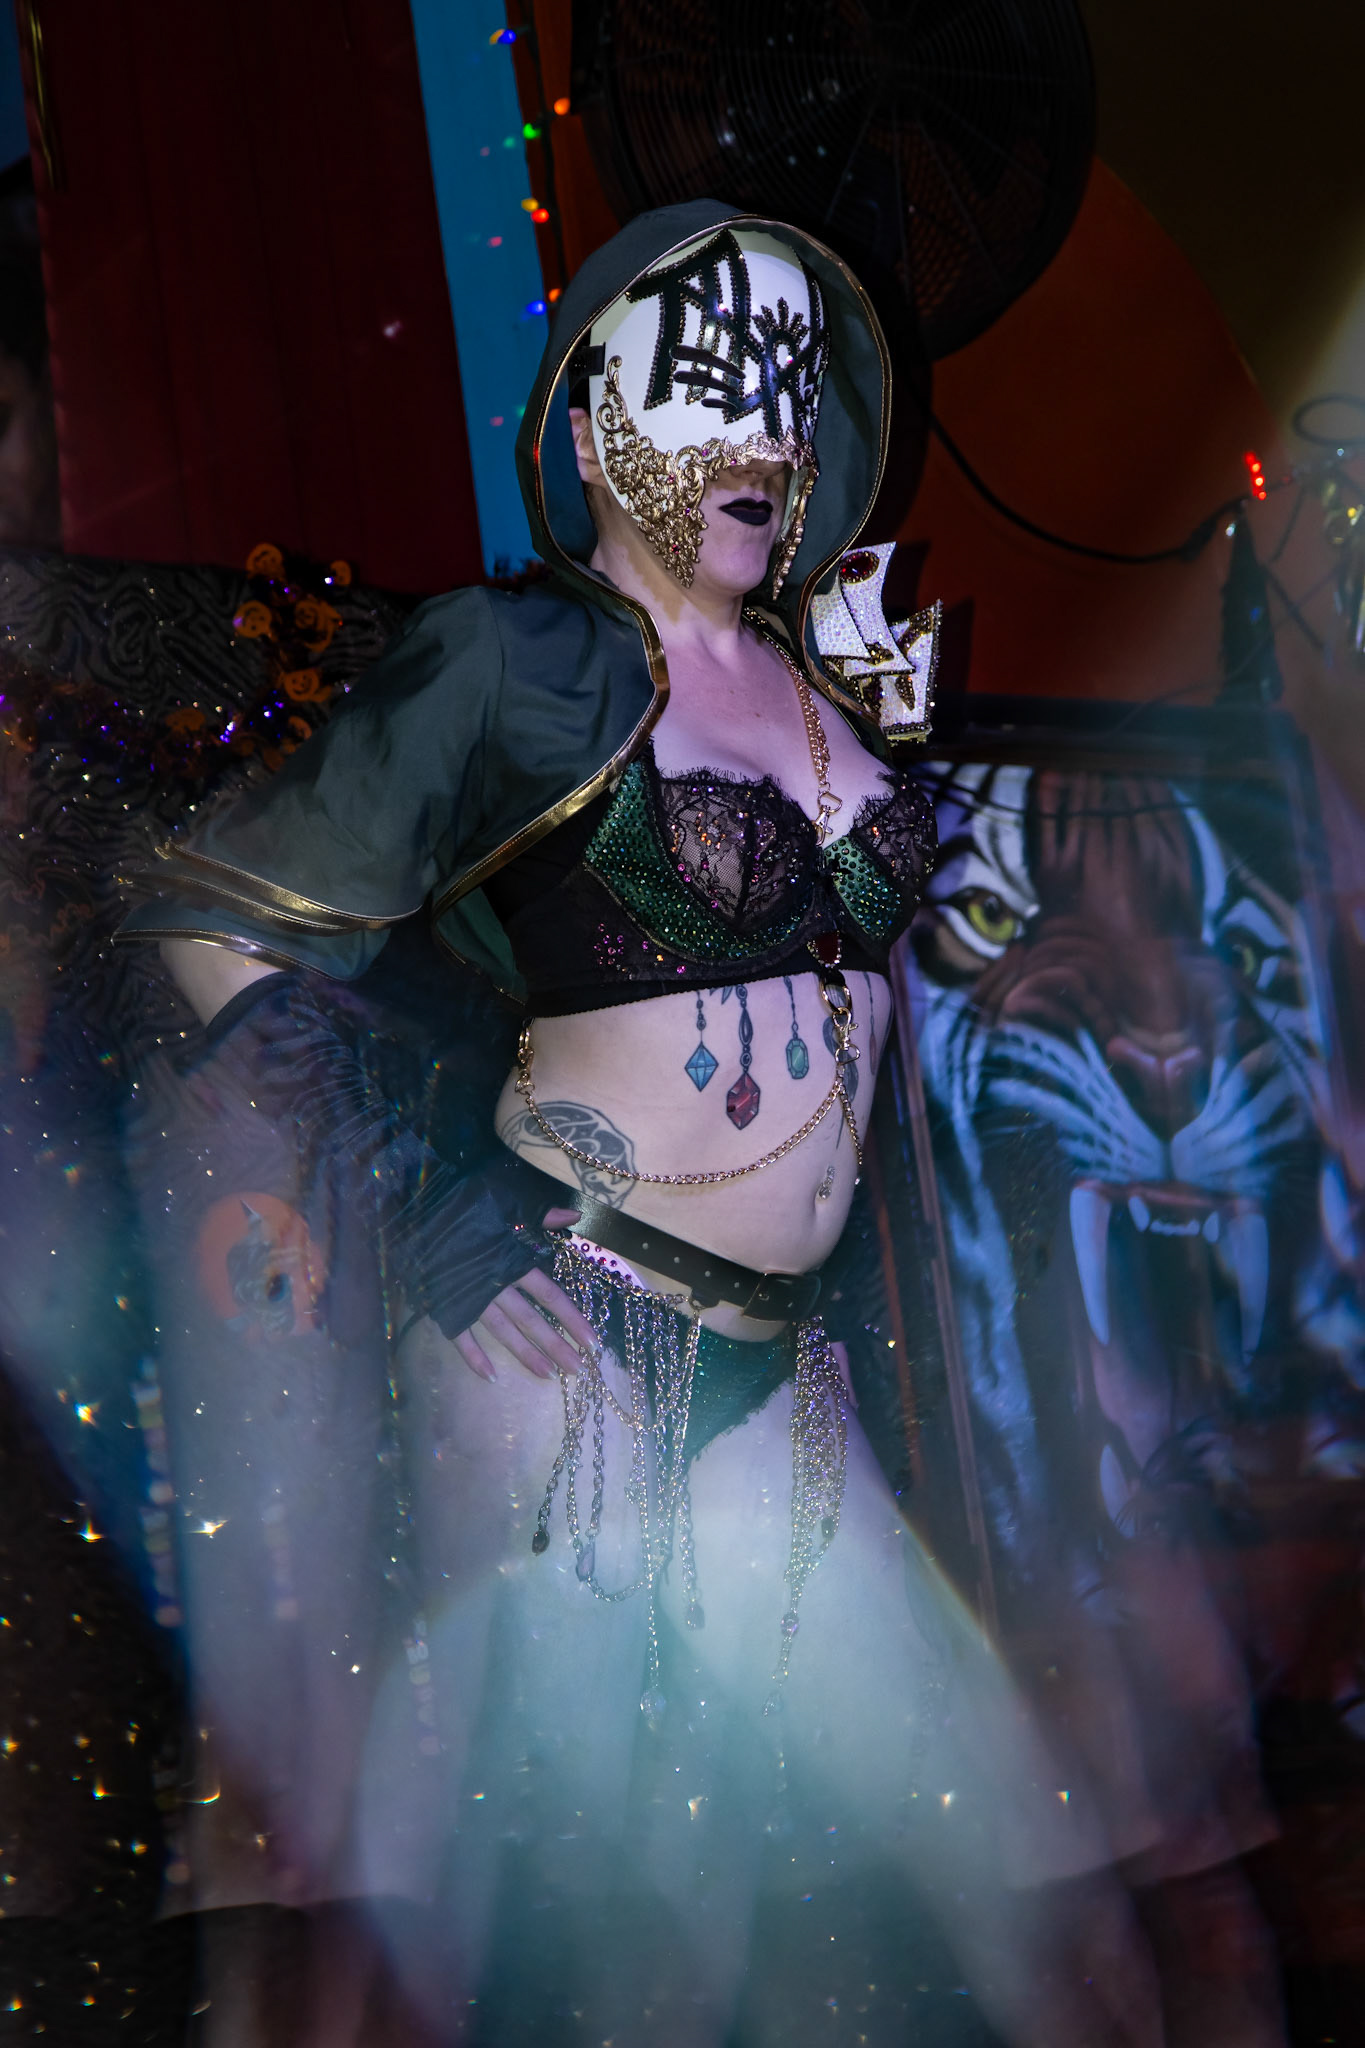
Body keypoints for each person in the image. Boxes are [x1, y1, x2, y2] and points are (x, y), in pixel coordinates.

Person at [121, 202, 1160, 2045]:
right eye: (713, 392)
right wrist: (431, 1212)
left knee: (1008, 1890)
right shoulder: (517, 659)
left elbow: (898, 970)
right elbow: (214, 919)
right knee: (602, 1948)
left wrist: (896, 760)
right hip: (565, 1355)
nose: (766, 433)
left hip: (777, 1369)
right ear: (600, 428)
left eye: (786, 393)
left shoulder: (822, 684)